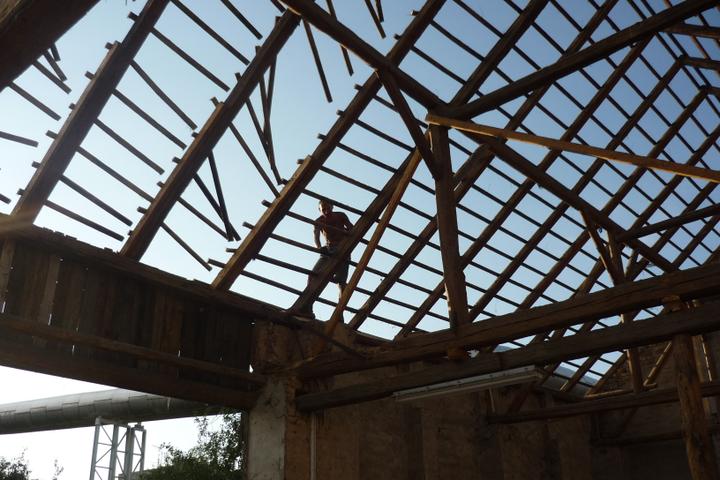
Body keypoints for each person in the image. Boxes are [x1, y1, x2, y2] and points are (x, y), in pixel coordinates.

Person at [309, 199, 353, 297]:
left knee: (341, 282)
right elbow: (316, 237)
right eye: (323, 209)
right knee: (313, 274)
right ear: (319, 210)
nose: (326, 211)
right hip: (328, 249)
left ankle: (341, 305)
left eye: (328, 208)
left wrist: (347, 234)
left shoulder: (340, 215)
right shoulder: (319, 221)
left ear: (332, 207)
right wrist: (319, 248)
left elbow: (351, 228)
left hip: (343, 248)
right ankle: (308, 296)